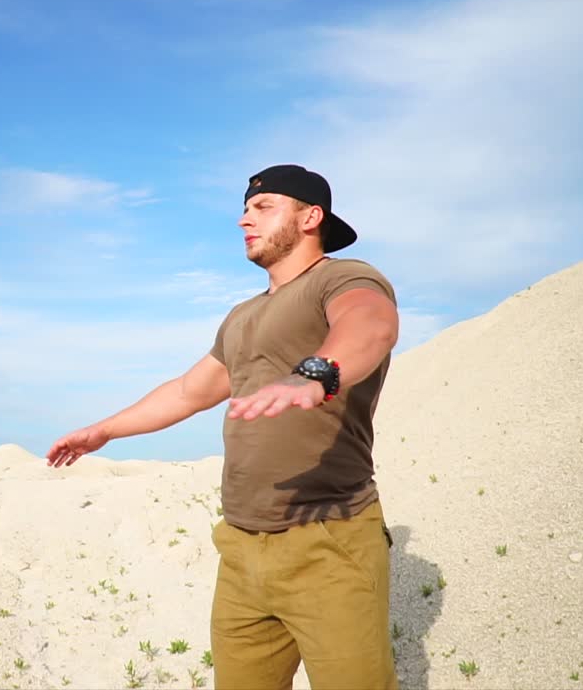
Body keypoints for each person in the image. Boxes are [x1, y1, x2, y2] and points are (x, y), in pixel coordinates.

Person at [46, 164, 401, 690]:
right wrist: (104, 432)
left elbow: (371, 323)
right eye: (245, 209)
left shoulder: (342, 278)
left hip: (328, 540)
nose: (244, 220)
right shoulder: (242, 316)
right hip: (240, 547)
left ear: (310, 217)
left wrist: (317, 373)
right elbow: (188, 391)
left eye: (263, 207)